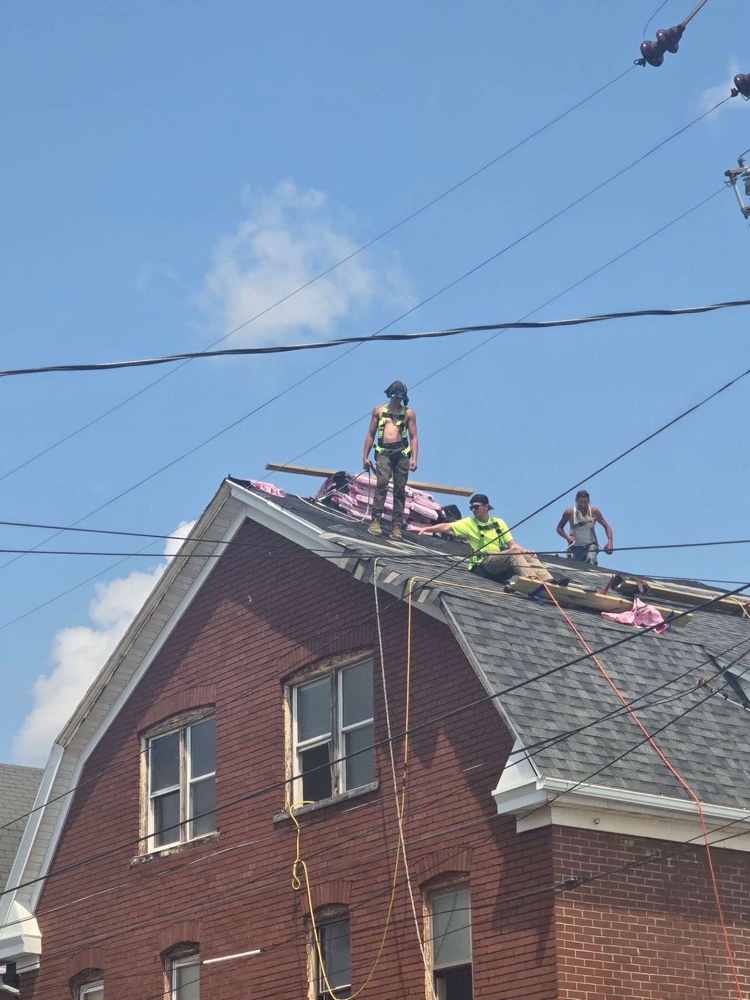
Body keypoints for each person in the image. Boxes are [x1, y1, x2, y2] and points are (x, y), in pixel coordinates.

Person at [415, 494, 560, 584]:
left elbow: (512, 544)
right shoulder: (469, 523)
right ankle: (532, 581)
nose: (473, 510)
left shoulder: (499, 522)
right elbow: (447, 526)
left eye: (476, 507)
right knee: (513, 554)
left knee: (528, 556)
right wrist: (426, 529)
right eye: (471, 508)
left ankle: (549, 581)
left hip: (498, 565)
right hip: (482, 565)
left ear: (486, 507)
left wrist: (526, 551)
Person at [362, 380, 418, 541]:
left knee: (400, 490)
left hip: (401, 453)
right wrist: (365, 457)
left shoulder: (408, 413)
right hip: (383, 452)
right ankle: (375, 521)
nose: (397, 399)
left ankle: (396, 526)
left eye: (400, 397)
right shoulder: (379, 410)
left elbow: (413, 437)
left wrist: (414, 458)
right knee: (382, 483)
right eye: (395, 396)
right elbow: (370, 434)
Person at [556, 489, 614, 565]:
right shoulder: (569, 513)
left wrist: (609, 542)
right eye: (581, 502)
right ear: (576, 500)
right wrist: (567, 537)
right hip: (575, 547)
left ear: (588, 501)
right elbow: (559, 528)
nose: (583, 505)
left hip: (590, 545)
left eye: (585, 502)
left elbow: (607, 526)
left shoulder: (593, 511)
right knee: (574, 567)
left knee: (591, 559)